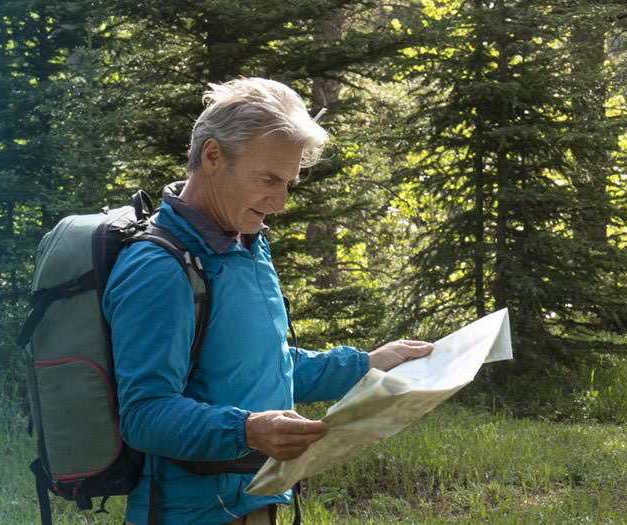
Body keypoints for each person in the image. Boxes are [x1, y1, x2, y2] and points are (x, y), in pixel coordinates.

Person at [105, 77, 435, 525]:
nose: (279, 202)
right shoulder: (158, 268)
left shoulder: (246, 243)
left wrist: (366, 365)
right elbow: (144, 414)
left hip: (256, 500)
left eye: (289, 183)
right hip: (189, 512)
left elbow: (260, 363)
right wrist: (248, 430)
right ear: (213, 157)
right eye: (268, 180)